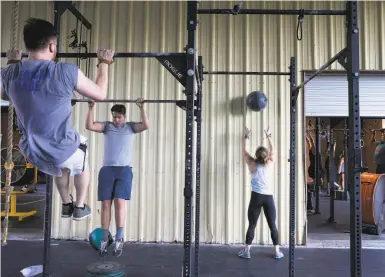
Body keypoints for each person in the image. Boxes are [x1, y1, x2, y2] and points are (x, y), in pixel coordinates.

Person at [0, 18, 115, 221]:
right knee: (81, 150)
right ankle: (79, 206)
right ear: (52, 46)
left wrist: (13, 63)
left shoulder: (10, 73)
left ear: (28, 46)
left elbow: (5, 95)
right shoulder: (64, 71)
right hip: (59, 149)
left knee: (60, 163)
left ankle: (65, 203)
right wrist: (104, 63)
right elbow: (100, 94)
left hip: (33, 152)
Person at [86, 99, 149, 257]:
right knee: (106, 205)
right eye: (114, 117)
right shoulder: (107, 126)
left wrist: (142, 108)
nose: (116, 120)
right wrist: (91, 107)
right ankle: (104, 240)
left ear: (125, 116)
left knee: (119, 203)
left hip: (124, 171)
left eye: (119, 117)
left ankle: (119, 239)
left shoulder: (131, 127)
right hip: (107, 170)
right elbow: (90, 125)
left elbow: (146, 125)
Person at [237, 127, 284, 260]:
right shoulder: (269, 163)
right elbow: (273, 151)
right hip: (268, 198)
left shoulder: (252, 164)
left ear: (256, 155)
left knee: (252, 224)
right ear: (266, 155)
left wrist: (245, 137)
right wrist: (269, 136)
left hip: (256, 197)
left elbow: (244, 152)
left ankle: (247, 251)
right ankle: (277, 252)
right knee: (272, 225)